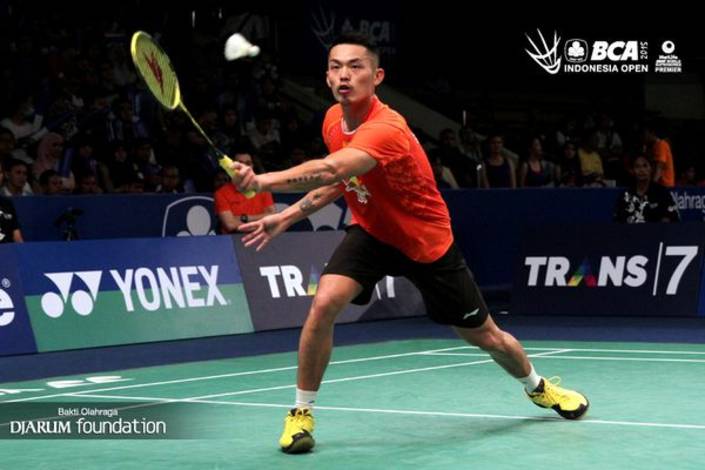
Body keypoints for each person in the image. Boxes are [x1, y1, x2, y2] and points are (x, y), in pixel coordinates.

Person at [231, 34, 589, 454]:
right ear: (327, 77)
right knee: (324, 302)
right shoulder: (331, 120)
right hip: (373, 232)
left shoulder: (388, 128)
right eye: (335, 66)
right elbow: (343, 180)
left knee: (487, 336)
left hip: (426, 243)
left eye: (356, 66)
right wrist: (288, 216)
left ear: (377, 76)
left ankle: (538, 387)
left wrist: (262, 182)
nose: (344, 75)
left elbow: (331, 169)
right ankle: (300, 412)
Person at [214, 151, 275, 233]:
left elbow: (272, 216)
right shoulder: (221, 193)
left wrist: (245, 218)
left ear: (252, 166)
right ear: (232, 166)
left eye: (248, 163)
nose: (245, 167)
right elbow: (230, 225)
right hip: (234, 238)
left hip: (261, 236)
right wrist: (261, 224)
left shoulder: (262, 188)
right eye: (240, 163)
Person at [614, 155, 679, 223]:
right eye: (637, 167)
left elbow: (673, 217)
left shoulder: (662, 193)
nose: (641, 170)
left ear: (651, 168)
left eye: (645, 166)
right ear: (633, 171)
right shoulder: (625, 196)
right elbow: (618, 222)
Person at [0, 160, 24, 243]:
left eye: (0, 172)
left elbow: (17, 237)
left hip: (9, 250)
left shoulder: (7, 204)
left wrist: (24, 250)